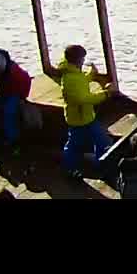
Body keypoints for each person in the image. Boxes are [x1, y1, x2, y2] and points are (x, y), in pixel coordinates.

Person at [52, 44, 115, 178]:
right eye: (82, 58)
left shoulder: (73, 72)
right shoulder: (70, 78)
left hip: (85, 116)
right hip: (79, 119)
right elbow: (84, 98)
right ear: (76, 59)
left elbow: (82, 81)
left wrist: (91, 74)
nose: (83, 60)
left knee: (99, 140)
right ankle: (70, 168)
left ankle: (100, 164)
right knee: (77, 145)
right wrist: (106, 94)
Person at [0, 48, 33, 156]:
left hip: (16, 91)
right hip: (3, 90)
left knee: (9, 112)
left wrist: (21, 99)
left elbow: (25, 83)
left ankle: (13, 141)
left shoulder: (15, 73)